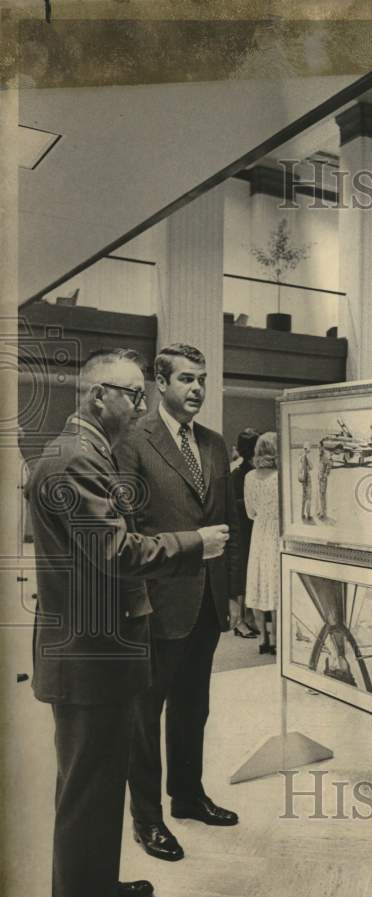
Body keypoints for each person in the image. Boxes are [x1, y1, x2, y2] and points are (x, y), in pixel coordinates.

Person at [26, 348, 229, 897]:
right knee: (88, 792)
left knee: (94, 783)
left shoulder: (81, 453)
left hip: (96, 651)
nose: (139, 406)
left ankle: (96, 891)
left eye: (142, 395)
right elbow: (114, 551)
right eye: (133, 395)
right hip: (89, 656)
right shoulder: (75, 459)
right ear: (98, 397)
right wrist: (195, 542)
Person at [116, 343, 244, 864]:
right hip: (157, 599)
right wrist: (137, 599)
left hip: (207, 600)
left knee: (194, 706)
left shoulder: (213, 444)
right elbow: (126, 528)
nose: (197, 389)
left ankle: (188, 797)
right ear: (160, 384)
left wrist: (231, 591)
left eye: (203, 380)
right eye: (187, 379)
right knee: (146, 716)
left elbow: (228, 522)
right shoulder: (132, 440)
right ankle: (147, 820)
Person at [244, 431, 280, 655]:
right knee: (274, 583)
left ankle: (262, 639)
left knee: (257, 581)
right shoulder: (279, 477)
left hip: (258, 532)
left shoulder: (249, 477)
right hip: (276, 532)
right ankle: (276, 638)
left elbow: (250, 511)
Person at [230, 427, 260, 638]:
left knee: (248, 572)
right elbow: (231, 503)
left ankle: (247, 617)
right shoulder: (238, 474)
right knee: (240, 573)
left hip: (251, 527)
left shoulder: (252, 473)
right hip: (240, 527)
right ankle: (239, 621)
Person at [317, 442, 332, 520]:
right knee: (320, 495)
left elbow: (329, 464)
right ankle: (321, 510)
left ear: (323, 447)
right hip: (319, 478)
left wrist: (326, 474)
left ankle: (323, 512)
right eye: (318, 447)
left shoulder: (325, 455)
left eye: (320, 447)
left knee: (323, 495)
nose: (319, 449)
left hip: (323, 479)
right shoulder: (320, 455)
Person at [299, 442, 313, 522]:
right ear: (308, 449)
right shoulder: (307, 457)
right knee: (309, 498)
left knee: (303, 497)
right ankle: (308, 515)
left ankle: (302, 514)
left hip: (303, 480)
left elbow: (300, 469)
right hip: (307, 479)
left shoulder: (300, 456)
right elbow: (312, 467)